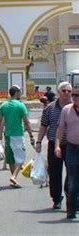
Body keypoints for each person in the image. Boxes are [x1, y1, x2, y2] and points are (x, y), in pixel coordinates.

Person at [36, 82, 72, 209]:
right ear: (58, 92)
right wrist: (39, 141)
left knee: (73, 173)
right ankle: (57, 198)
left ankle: (71, 199)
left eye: (69, 91)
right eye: (64, 90)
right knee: (54, 172)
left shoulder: (75, 107)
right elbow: (43, 126)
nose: (66, 93)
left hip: (72, 145)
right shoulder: (50, 108)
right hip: (53, 143)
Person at [0, 86, 34, 188]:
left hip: (8, 135)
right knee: (21, 158)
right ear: (16, 93)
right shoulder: (20, 105)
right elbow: (27, 122)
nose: (20, 93)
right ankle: (13, 176)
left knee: (11, 159)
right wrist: (31, 135)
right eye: (20, 92)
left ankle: (14, 180)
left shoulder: (4, 105)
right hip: (18, 135)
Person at [55, 86, 79, 219]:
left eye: (77, 95)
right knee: (73, 179)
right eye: (73, 95)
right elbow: (60, 129)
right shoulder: (66, 110)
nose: (74, 97)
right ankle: (71, 208)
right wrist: (57, 146)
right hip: (72, 148)